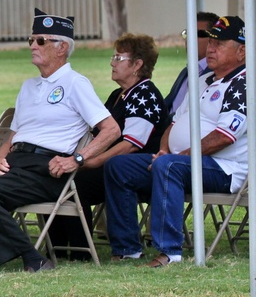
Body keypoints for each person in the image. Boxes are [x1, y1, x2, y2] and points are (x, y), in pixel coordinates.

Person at [0, 8, 120, 273]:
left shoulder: (75, 83)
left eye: (41, 41)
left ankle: (32, 258)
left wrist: (77, 159)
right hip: (16, 162)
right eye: (31, 40)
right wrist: (0, 156)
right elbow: (14, 134)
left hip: (46, 170)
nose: (33, 46)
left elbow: (111, 129)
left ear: (61, 48)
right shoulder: (28, 87)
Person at [104, 16, 256, 267]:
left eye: (220, 44)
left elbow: (223, 137)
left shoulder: (244, 85)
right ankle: (127, 248)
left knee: (168, 167)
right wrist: (163, 150)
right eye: (211, 41)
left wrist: (178, 157)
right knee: (118, 166)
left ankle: (170, 252)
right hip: (183, 162)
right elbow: (174, 122)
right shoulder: (204, 80)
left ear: (242, 51)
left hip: (225, 169)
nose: (210, 48)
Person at [48, 33, 170, 259]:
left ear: (137, 65)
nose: (112, 63)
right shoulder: (118, 94)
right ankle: (58, 246)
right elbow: (98, 133)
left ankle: (79, 250)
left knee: (76, 185)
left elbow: (131, 145)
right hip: (110, 164)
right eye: (113, 57)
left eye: (118, 58)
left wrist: (89, 161)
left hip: (140, 168)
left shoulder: (145, 94)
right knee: (57, 178)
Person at [163, 11, 220, 116]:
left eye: (198, 34)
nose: (191, 38)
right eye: (188, 33)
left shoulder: (217, 74)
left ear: (214, 39)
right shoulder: (186, 72)